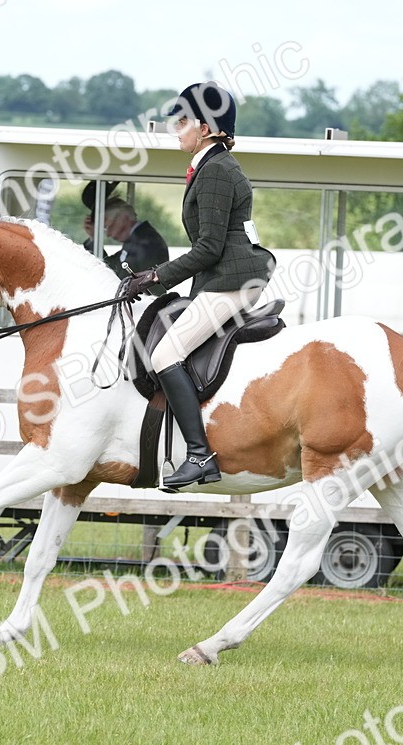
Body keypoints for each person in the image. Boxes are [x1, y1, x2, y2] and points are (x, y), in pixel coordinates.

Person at [122, 82, 276, 491]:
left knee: (165, 354)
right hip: (223, 276)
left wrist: (157, 276)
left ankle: (199, 454)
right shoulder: (215, 166)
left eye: (184, 122)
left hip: (231, 279)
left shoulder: (217, 172)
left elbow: (208, 248)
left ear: (206, 128)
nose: (177, 129)